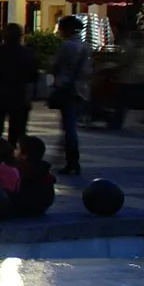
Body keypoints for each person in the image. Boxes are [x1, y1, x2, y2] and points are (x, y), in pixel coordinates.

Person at [0, 23, 37, 142]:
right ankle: (13, 154)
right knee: (17, 132)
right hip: (19, 95)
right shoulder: (27, 53)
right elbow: (33, 76)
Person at [49, 16, 92, 175]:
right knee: (70, 124)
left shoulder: (67, 46)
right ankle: (70, 158)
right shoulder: (84, 46)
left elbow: (56, 66)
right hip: (80, 89)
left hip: (67, 88)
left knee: (69, 126)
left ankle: (71, 159)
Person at [115, 28, 144, 132]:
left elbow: (124, 59)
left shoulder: (128, 45)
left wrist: (118, 68)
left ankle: (117, 122)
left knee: (122, 101)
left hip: (130, 76)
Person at [11, 135, 56, 216]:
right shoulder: (44, 169)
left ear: (24, 155)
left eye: (17, 149)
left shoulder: (20, 169)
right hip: (42, 207)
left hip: (21, 206)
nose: (14, 151)